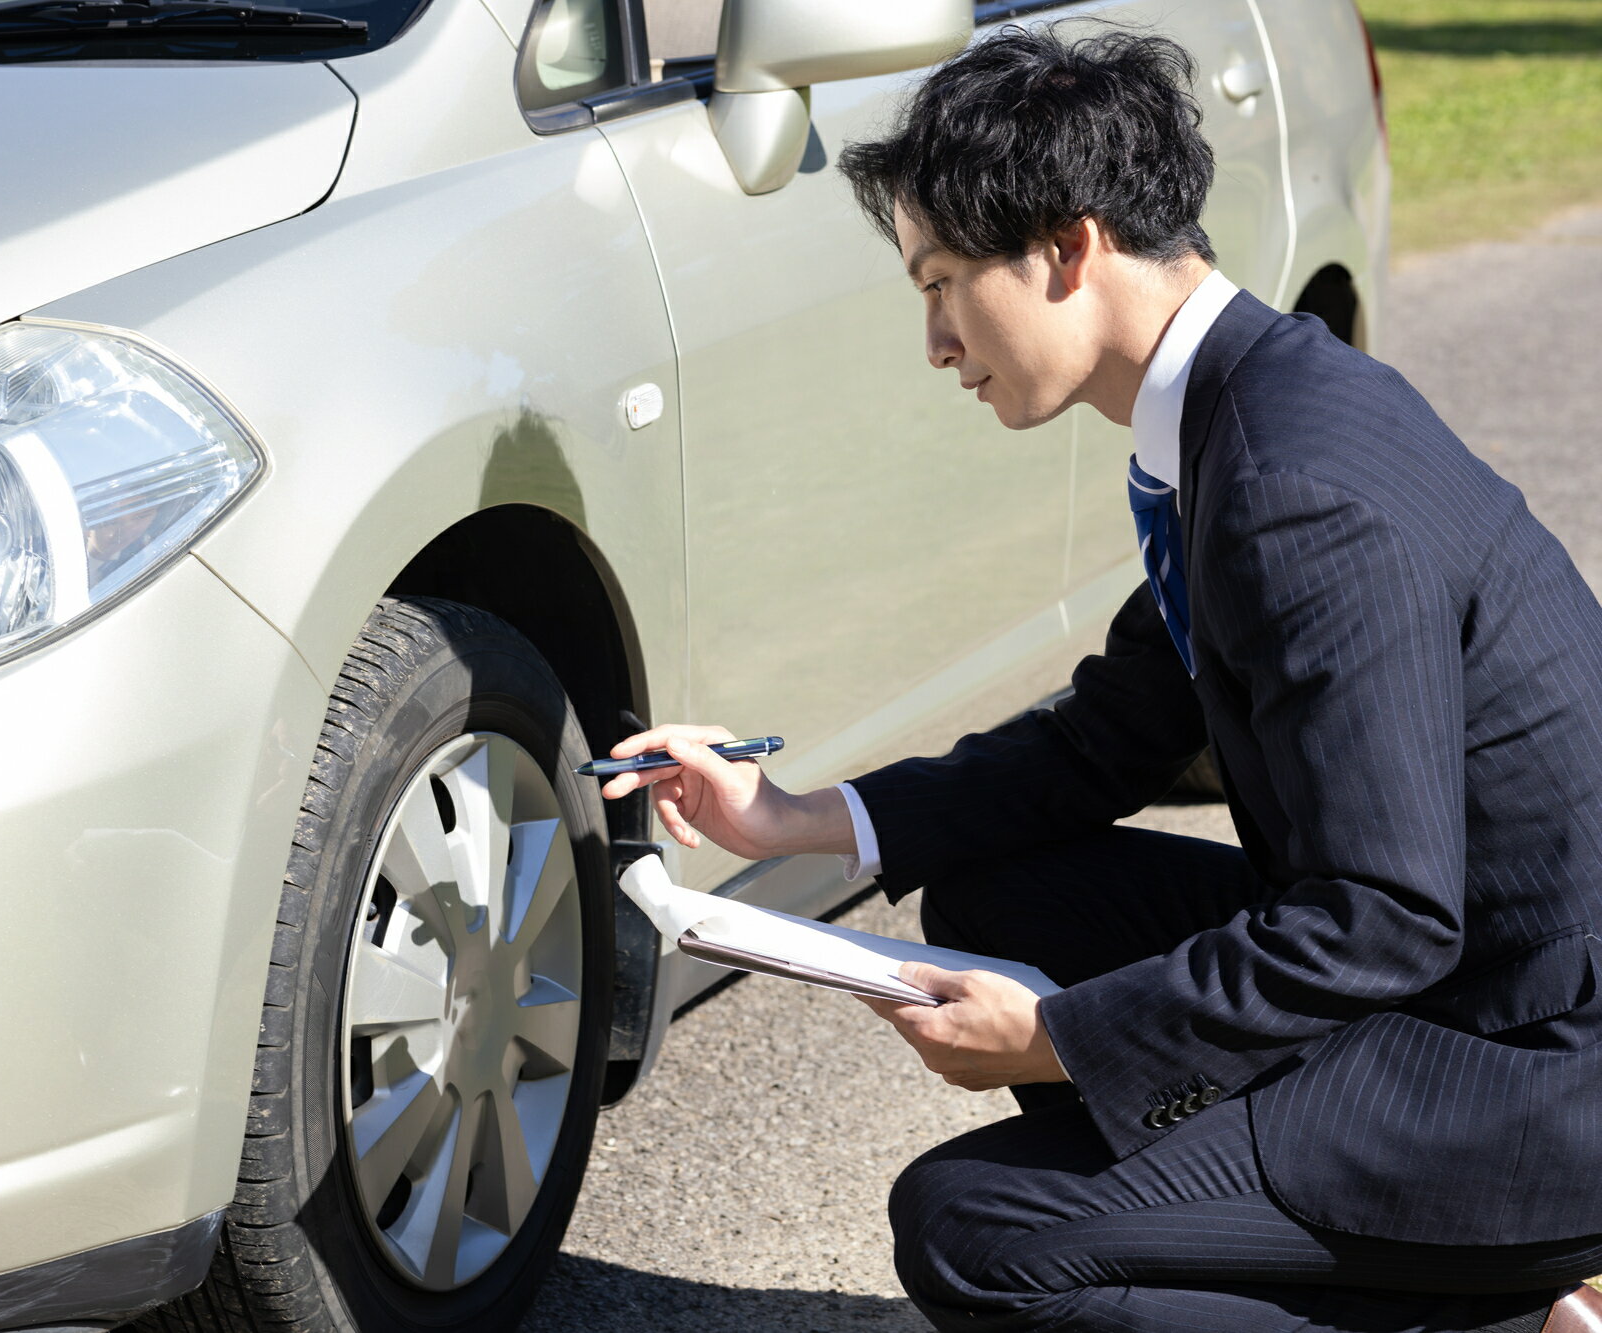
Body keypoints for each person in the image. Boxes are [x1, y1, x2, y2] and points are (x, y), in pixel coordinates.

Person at [600, 24, 1602, 1333]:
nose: (937, 340)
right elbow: (1101, 743)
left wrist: (1065, 1037)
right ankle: (1332, 1246)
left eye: (945, 280)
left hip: (1517, 1077)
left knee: (971, 1231)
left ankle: (1502, 1312)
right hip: (1453, 984)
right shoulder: (1244, 412)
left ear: (1070, 250)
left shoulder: (1294, 495)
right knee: (995, 891)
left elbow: (1384, 917)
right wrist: (794, 817)